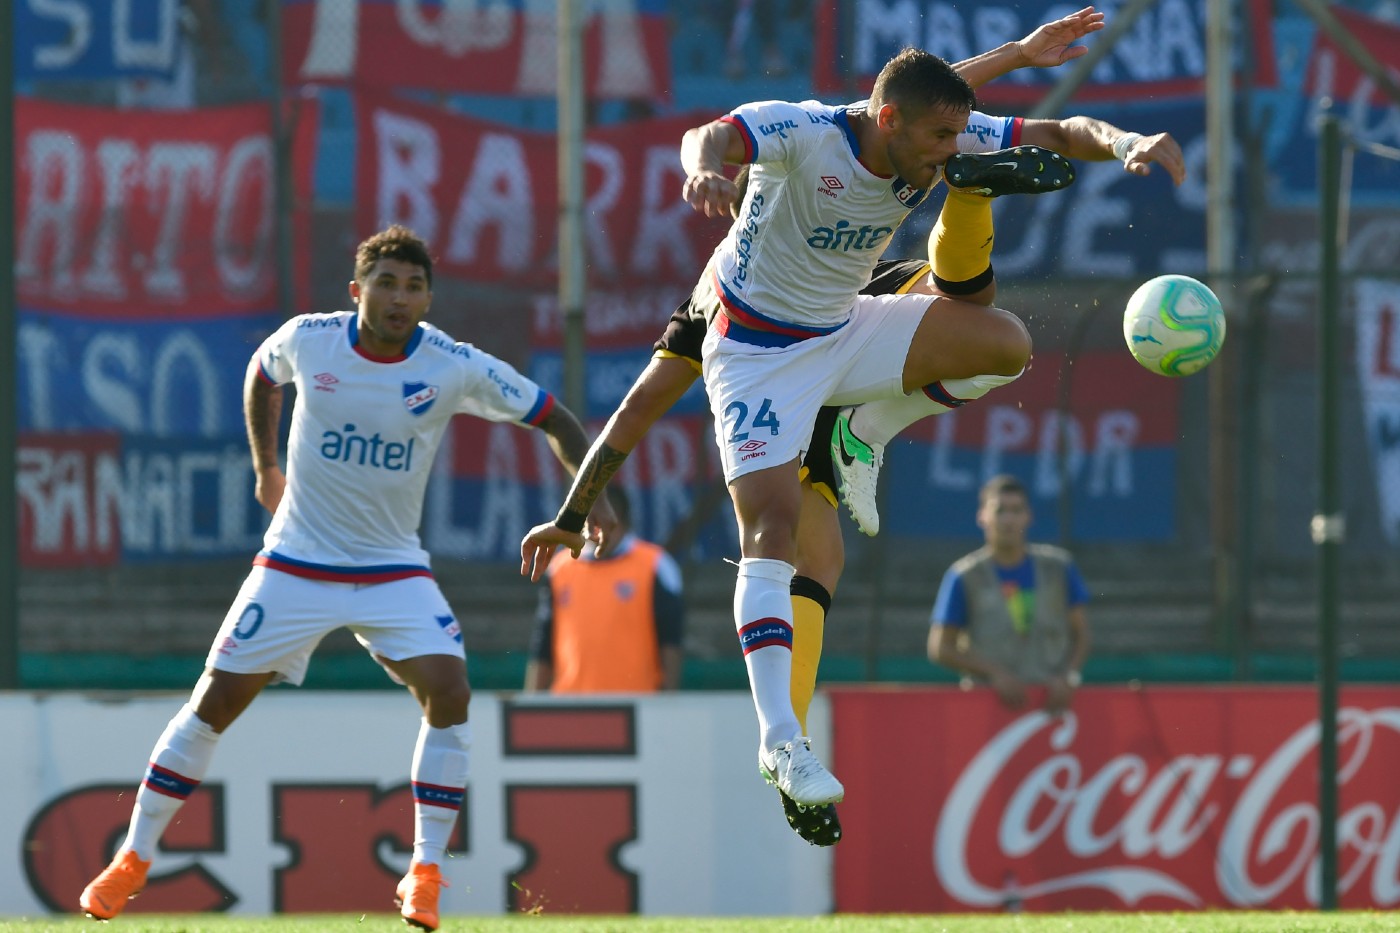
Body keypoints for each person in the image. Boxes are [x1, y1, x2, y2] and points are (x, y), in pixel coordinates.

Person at [523, 10, 1184, 843]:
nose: (953, 146)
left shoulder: (923, 128)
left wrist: (1123, 137)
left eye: (958, 137)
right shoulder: (804, 134)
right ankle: (782, 742)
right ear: (888, 122)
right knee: (779, 532)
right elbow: (707, 139)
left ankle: (860, 429)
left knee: (1002, 343)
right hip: (758, 356)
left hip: (844, 327)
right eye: (941, 136)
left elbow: (1047, 126)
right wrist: (575, 515)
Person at [78, 225, 609, 931]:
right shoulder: (310, 339)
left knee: (450, 688)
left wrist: (585, 503)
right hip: (296, 560)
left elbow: (557, 418)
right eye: (386, 283)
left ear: (428, 297)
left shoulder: (452, 364)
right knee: (215, 701)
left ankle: (423, 873)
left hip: (392, 567)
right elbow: (262, 376)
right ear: (356, 290)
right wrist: (266, 464)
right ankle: (134, 858)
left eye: (414, 285)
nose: (400, 297)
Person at [927, 474, 1092, 715]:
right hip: (985, 709)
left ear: (1029, 516)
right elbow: (940, 648)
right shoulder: (964, 575)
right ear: (982, 516)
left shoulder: (1059, 568)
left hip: (1051, 707)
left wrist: (1069, 676)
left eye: (1017, 510)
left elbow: (1082, 635)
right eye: (1000, 510)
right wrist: (994, 674)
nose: (1009, 519)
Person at [524, 489, 685, 693]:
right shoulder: (559, 569)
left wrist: (667, 705)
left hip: (637, 706)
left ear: (618, 520)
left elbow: (671, 641)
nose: (594, 530)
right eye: (588, 521)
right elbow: (543, 646)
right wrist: (529, 703)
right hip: (570, 709)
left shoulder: (656, 565)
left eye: (599, 520)